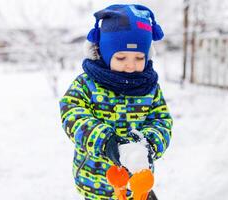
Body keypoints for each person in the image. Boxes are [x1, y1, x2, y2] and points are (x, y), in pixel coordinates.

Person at [59, 4, 173, 200]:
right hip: (95, 181)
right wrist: (104, 141)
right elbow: (72, 113)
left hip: (137, 183)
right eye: (121, 57)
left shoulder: (149, 87)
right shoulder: (87, 84)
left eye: (139, 57)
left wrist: (150, 143)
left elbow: (161, 120)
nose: (130, 65)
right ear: (102, 52)